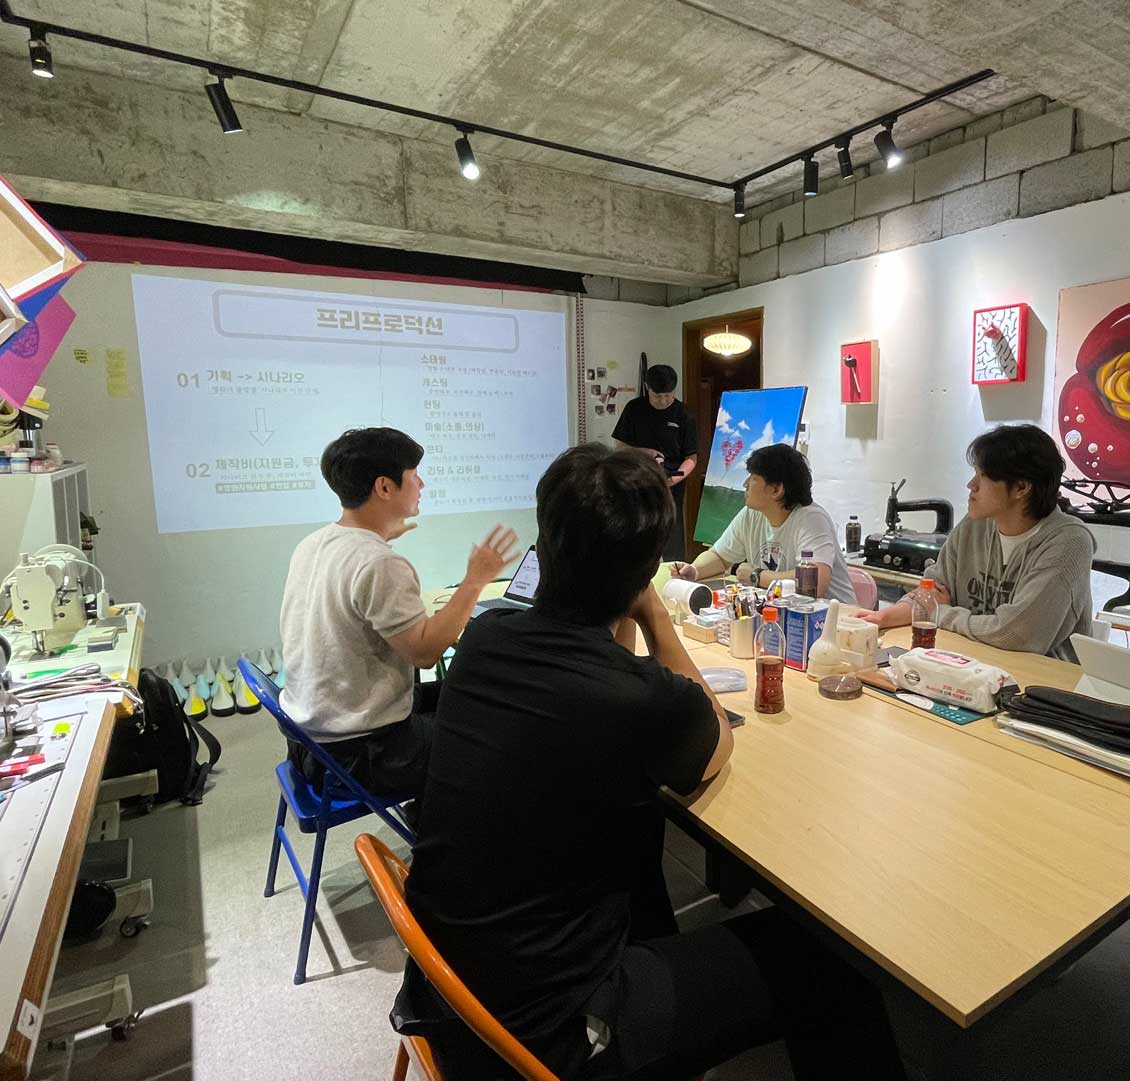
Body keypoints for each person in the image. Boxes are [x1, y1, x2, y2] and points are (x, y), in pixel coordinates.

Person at [402, 444, 906, 1081]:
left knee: (637, 833)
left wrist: (625, 610)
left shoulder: (486, 637)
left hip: (449, 981)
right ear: (644, 570)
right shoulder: (638, 700)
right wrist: (655, 618)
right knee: (828, 961)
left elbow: (603, 667)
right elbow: (716, 741)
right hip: (547, 1030)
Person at [279, 427, 519, 799]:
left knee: (470, 693)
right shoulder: (378, 563)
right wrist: (475, 580)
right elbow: (425, 654)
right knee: (503, 735)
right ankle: (441, 823)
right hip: (362, 754)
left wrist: (380, 538)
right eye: (414, 475)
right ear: (385, 487)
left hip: (310, 742)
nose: (421, 484)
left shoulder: (314, 543)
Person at [861, 423, 1094, 659]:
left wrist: (942, 614)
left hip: (1042, 676)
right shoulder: (975, 525)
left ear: (1021, 487)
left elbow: (1018, 635)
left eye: (983, 476)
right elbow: (930, 595)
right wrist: (880, 618)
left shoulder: (1069, 542)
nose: (971, 485)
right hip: (972, 663)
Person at [670, 443, 857, 605]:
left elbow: (814, 584)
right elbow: (720, 556)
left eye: (753, 478)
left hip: (834, 618)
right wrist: (694, 571)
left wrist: (757, 576)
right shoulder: (752, 513)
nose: (745, 484)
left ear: (776, 489)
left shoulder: (812, 519)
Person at [610, 363, 698, 561]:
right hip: (637, 481)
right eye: (658, 396)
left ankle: (674, 570)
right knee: (638, 527)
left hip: (671, 482)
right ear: (647, 388)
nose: (663, 400)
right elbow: (620, 446)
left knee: (671, 529)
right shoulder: (634, 409)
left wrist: (673, 479)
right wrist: (645, 452)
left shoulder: (684, 415)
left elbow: (691, 458)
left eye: (668, 395)